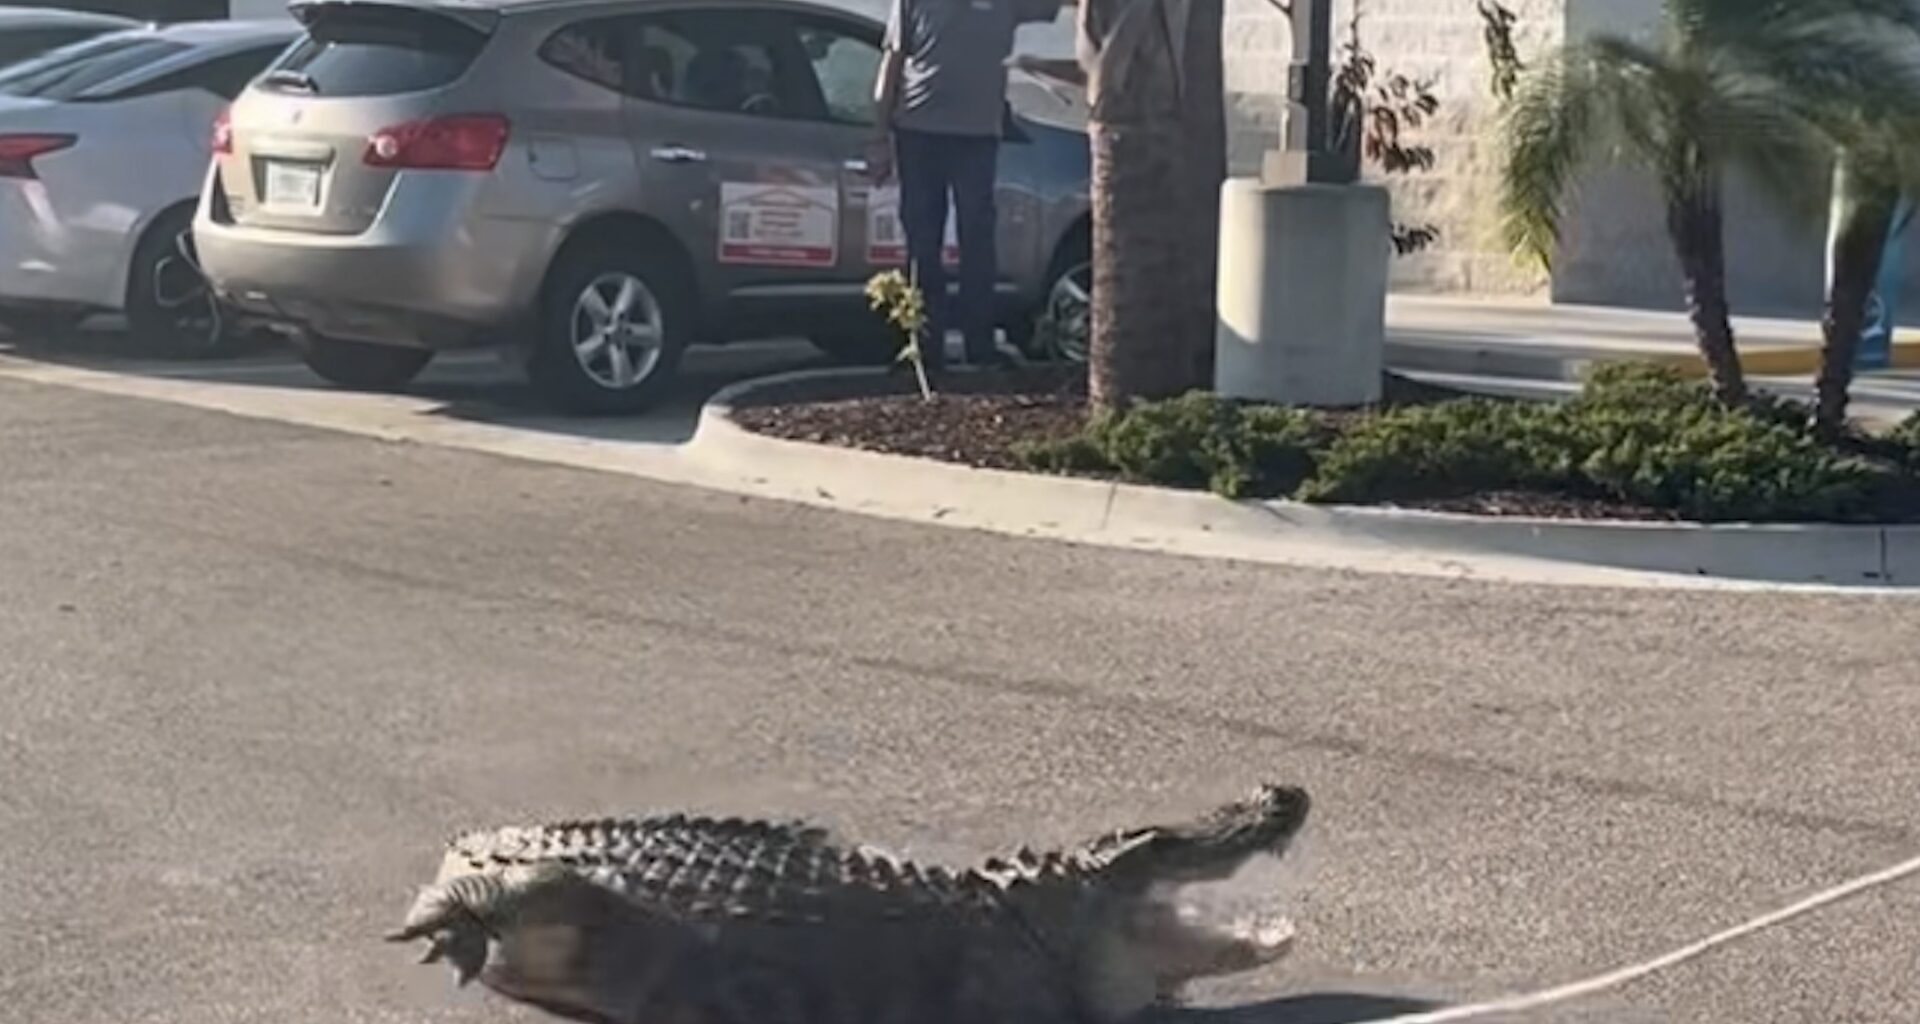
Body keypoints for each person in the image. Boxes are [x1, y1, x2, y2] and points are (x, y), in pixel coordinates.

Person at [870, 0, 1069, 370]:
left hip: (977, 137)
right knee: (921, 241)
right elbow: (892, 61)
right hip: (918, 131)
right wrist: (879, 135)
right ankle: (924, 348)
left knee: (977, 239)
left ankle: (981, 346)